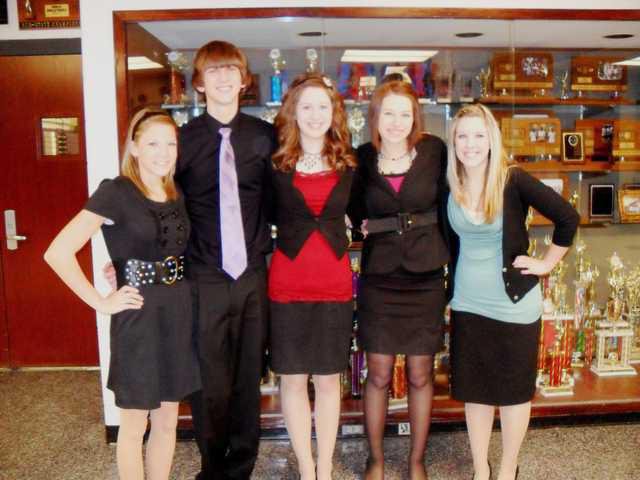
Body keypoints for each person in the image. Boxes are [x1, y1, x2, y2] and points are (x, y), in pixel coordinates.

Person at [44, 108, 201, 480]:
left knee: (167, 421)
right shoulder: (115, 192)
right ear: (134, 147)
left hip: (177, 311)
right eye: (153, 144)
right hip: (139, 316)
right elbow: (57, 252)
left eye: (170, 144)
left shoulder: (174, 191)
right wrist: (100, 302)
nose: (163, 153)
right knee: (133, 426)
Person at [445, 104, 579, 480]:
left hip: (514, 304)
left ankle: (507, 468)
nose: (470, 144)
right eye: (462, 136)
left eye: (478, 135)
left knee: (513, 394)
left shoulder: (512, 179)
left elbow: (568, 217)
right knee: (475, 393)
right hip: (468, 304)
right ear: (453, 142)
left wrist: (546, 263)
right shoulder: (449, 184)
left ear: (492, 139)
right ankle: (480, 469)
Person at [177, 41, 276, 480]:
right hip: (203, 276)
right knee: (210, 384)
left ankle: (241, 471)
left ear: (243, 80)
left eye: (230, 69)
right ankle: (212, 469)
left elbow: (279, 201)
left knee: (247, 379)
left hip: (253, 274)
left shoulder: (264, 136)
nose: (222, 78)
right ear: (199, 83)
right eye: (212, 71)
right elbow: (164, 206)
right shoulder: (182, 141)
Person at [348, 79, 449, 480]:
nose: (396, 121)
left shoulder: (434, 151)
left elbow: (450, 202)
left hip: (426, 275)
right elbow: (353, 211)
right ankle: (375, 460)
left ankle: (416, 461)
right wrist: (365, 226)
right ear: (375, 116)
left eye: (404, 114)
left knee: (421, 374)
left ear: (415, 117)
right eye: (388, 113)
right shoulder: (361, 158)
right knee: (378, 373)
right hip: (380, 278)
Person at [268, 73, 357, 480]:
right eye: (307, 106)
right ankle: (306, 466)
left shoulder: (349, 164)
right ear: (294, 112)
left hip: (334, 284)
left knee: (327, 380)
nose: (315, 115)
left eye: (323, 106)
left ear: (334, 113)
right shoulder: (275, 165)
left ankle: (326, 465)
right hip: (287, 284)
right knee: (292, 379)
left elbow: (368, 210)